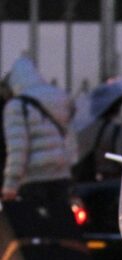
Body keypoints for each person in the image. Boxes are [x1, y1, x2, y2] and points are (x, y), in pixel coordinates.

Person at [2, 56, 75, 204]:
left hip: (33, 179)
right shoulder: (61, 98)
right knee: (60, 222)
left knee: (34, 224)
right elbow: (71, 138)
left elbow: (17, 149)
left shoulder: (17, 106)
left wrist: (10, 184)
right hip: (61, 175)